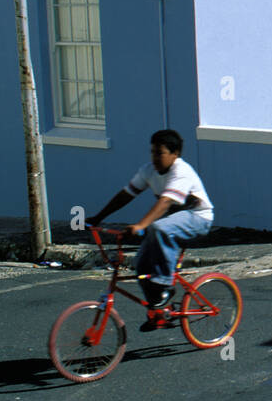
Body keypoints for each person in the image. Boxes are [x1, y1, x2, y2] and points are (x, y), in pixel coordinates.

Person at [89, 129, 214, 330]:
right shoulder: (148, 171)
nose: (155, 158)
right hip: (173, 221)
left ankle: (165, 285)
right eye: (152, 152)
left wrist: (141, 225)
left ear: (175, 154)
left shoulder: (181, 172)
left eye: (160, 153)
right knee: (140, 265)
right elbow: (126, 194)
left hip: (199, 218)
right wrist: (98, 217)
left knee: (159, 228)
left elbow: (164, 203)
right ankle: (159, 313)